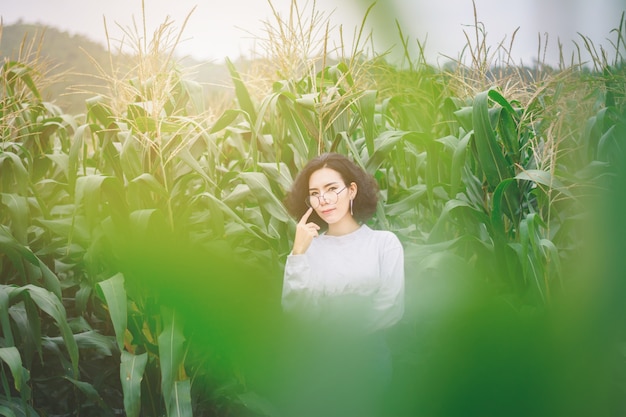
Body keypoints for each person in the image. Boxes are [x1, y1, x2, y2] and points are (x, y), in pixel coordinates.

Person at [277, 152, 405, 417]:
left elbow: (391, 307)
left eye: (332, 189)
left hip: (369, 362)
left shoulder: (383, 243)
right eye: (314, 193)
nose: (323, 199)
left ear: (352, 190)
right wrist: (298, 253)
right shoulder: (309, 250)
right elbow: (296, 312)